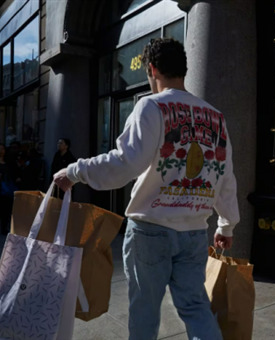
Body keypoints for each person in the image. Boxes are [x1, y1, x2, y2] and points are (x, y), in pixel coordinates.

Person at [54, 38, 239, 340]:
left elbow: (126, 163)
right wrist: (227, 225)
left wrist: (75, 171)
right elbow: (226, 176)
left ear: (151, 69)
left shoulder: (152, 106)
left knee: (145, 311)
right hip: (193, 231)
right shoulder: (215, 116)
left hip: (151, 229)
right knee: (195, 307)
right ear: (184, 69)